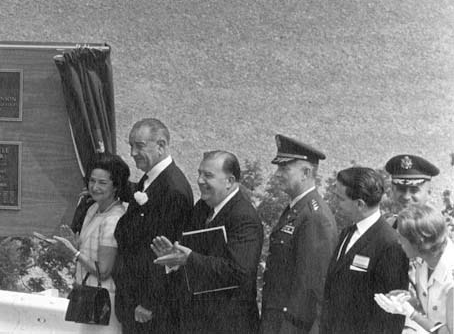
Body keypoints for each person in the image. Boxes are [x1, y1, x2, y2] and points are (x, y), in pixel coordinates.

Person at [152, 150, 263, 333]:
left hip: (228, 324)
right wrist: (172, 260)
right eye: (199, 173)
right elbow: (188, 252)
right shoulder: (202, 208)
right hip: (198, 321)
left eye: (208, 175)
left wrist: (189, 259)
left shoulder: (244, 217)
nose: (200, 180)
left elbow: (240, 272)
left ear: (229, 181)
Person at [113, 118, 193, 333]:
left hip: (150, 310)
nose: (132, 153)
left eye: (139, 146)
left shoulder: (173, 189)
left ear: (161, 145)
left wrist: (149, 302)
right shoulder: (149, 181)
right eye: (131, 146)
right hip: (132, 297)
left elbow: (165, 253)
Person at [260, 135, 338, 334]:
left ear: (306, 172)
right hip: (275, 320)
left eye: (284, 168)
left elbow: (311, 288)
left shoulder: (315, 217)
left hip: (291, 326)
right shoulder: (296, 209)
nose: (277, 174)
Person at [321, 167, 409, 334]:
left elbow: (391, 316)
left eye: (340, 199)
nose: (335, 203)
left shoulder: (390, 244)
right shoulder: (347, 233)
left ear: (359, 204)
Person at [53, 153, 129, 332]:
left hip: (103, 299)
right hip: (86, 294)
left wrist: (74, 253)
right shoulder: (93, 208)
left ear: (116, 186)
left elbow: (103, 270)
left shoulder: (114, 219)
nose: (95, 187)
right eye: (92, 181)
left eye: (102, 183)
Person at [374, 204, 454, 334]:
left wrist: (412, 314)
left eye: (401, 237)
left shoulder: (450, 277)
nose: (398, 242)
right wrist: (409, 302)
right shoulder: (423, 263)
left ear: (418, 242)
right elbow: (432, 309)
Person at [383, 154, 439, 226]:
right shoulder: (389, 226)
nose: (406, 197)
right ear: (393, 190)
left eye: (414, 190)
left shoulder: (436, 229)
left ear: (428, 193)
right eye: (401, 189)